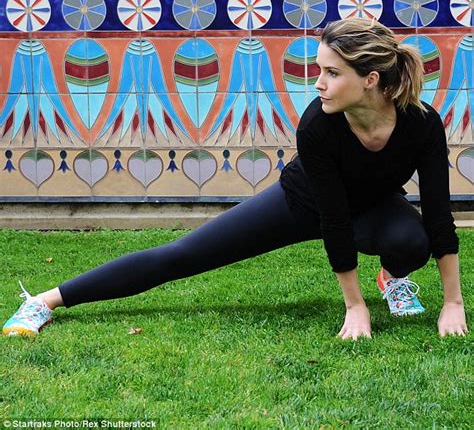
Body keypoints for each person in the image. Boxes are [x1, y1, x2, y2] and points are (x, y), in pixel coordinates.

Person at [3, 18, 468, 341]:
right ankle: (46, 300)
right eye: (318, 70)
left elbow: (440, 211)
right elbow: (332, 220)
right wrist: (354, 306)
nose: (317, 83)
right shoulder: (318, 125)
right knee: (181, 256)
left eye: (331, 73)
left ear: (369, 79)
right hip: (303, 202)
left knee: (412, 240)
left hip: (373, 206)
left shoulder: (420, 123)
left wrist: (454, 303)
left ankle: (392, 277)